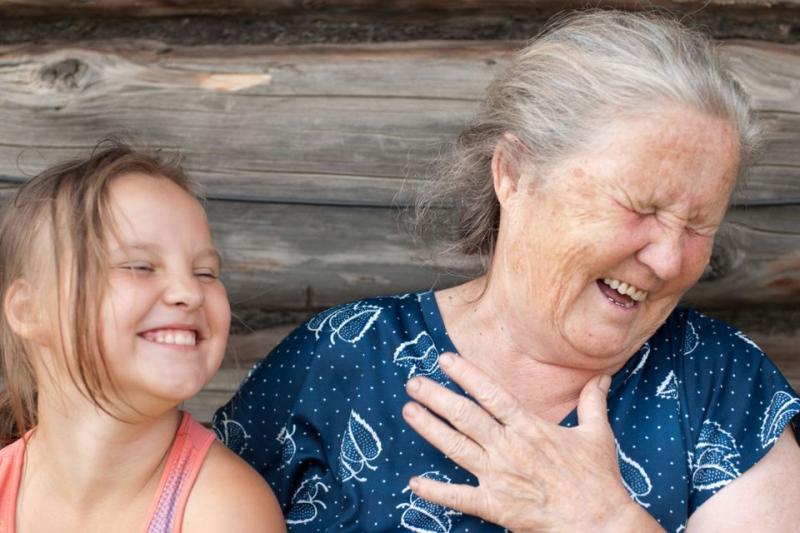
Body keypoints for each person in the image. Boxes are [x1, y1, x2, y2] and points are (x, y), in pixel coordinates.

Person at [214, 10, 800, 532]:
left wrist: (601, 521)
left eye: (699, 226)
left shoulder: (724, 387)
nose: (670, 259)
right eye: (641, 208)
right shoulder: (338, 358)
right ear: (514, 174)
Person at [0, 142, 285, 532]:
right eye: (140, 266)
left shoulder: (224, 509)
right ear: (29, 311)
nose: (189, 291)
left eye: (205, 272)